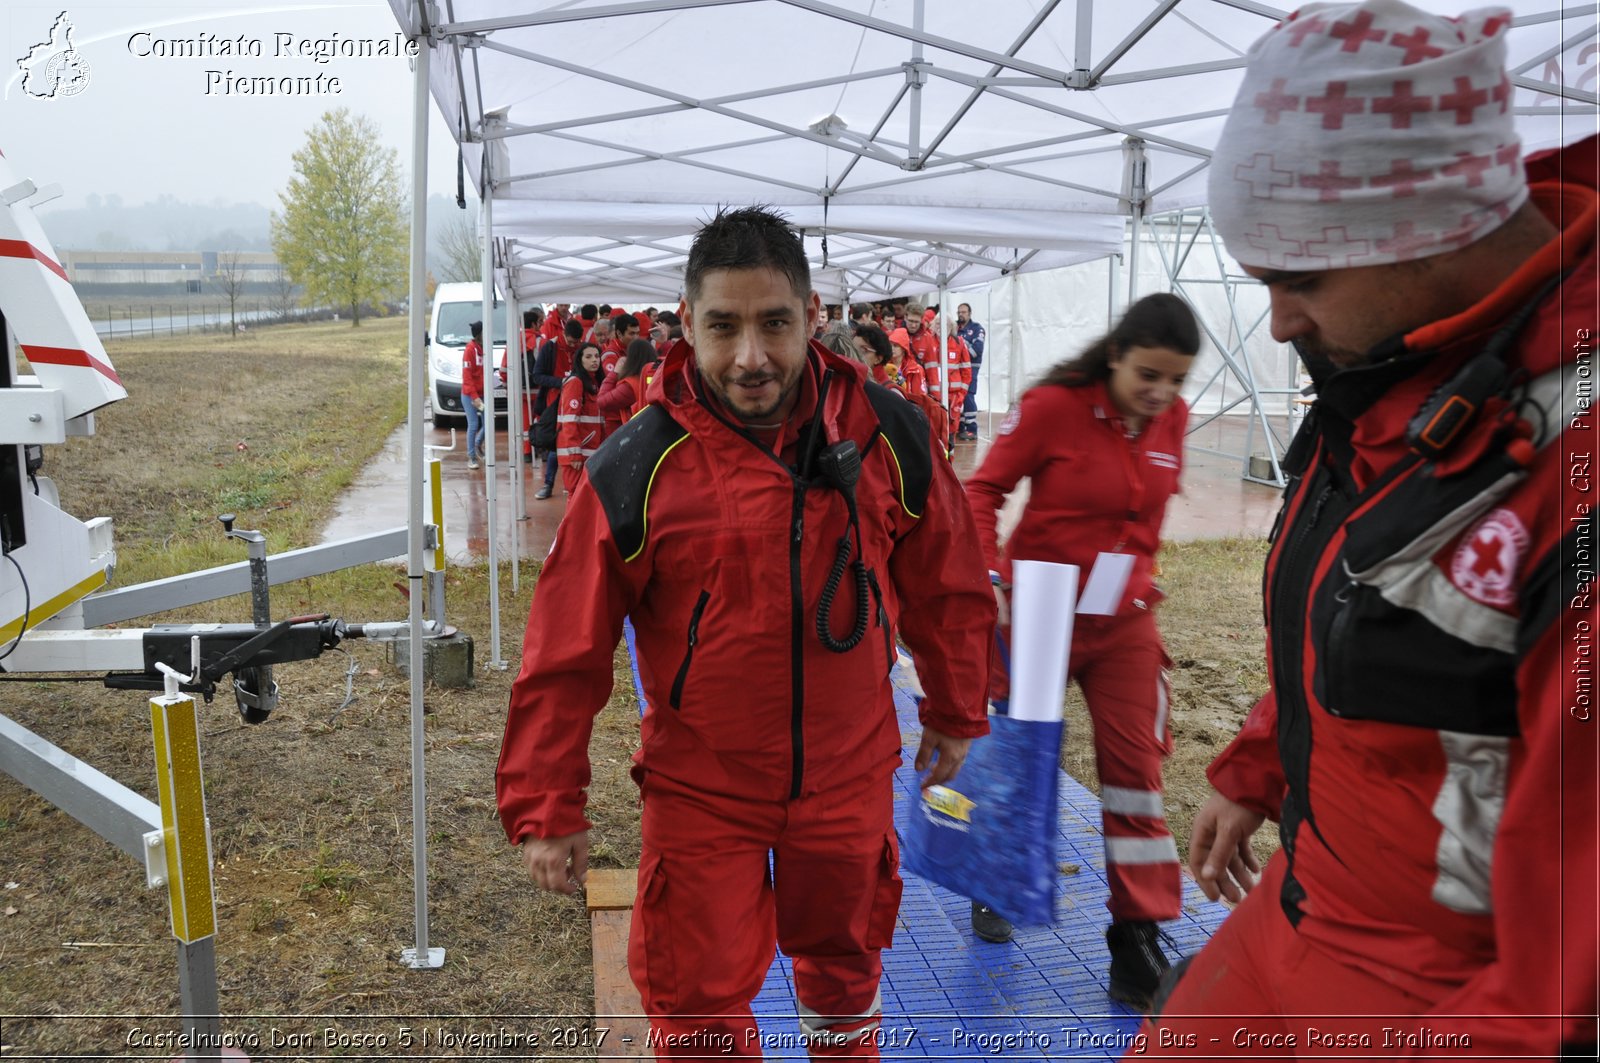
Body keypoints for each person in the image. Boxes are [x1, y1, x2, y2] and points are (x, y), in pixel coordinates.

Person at [1136, 2, 1597, 1055]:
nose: (1280, 325)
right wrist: (1258, 762)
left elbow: (1565, 979)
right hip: (1308, 891)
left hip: (1450, 989)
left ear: (1438, 229)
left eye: (1298, 281)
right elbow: (1356, 598)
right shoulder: (1395, 368)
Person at [497, 205, 996, 1059]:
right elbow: (563, 647)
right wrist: (548, 802)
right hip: (703, 789)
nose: (751, 356)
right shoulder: (638, 464)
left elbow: (947, 580)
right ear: (687, 324)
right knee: (695, 1000)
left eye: (775, 324)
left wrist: (955, 706)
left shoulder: (886, 435)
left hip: (847, 774)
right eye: (724, 327)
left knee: (844, 974)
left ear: (812, 315)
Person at [965, 292, 1199, 1006]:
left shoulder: (1173, 420)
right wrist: (990, 578)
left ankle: (1136, 935)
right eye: (1147, 375)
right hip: (1039, 613)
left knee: (1136, 776)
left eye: (1176, 381)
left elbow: (1149, 510)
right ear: (1115, 356)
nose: (1160, 394)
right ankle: (998, 882)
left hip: (1124, 619)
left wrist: (1140, 574)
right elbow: (983, 491)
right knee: (1022, 762)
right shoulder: (1051, 408)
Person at [531, 318, 583, 500]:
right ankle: (548, 483)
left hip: (577, 402)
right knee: (556, 445)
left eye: (576, 342)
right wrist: (560, 382)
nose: (573, 345)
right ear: (563, 334)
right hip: (554, 404)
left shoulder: (581, 348)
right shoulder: (550, 347)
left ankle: (579, 488)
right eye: (570, 342)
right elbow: (537, 376)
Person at [554, 341, 605, 496]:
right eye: (588, 357)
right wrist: (575, 452)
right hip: (576, 453)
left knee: (584, 498)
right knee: (576, 496)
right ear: (580, 360)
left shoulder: (594, 383)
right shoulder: (575, 382)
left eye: (597, 356)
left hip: (588, 451)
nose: (594, 360)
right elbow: (569, 420)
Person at [597, 337, 655, 436]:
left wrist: (614, 373)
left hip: (632, 433)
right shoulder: (653, 379)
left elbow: (602, 401)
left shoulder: (629, 385)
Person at [955, 303, 985, 441]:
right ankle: (961, 426)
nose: (961, 314)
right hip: (956, 368)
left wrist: (961, 351)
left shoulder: (977, 329)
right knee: (958, 395)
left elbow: (977, 350)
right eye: (959, 312)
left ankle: (971, 429)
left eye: (964, 312)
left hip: (971, 367)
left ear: (970, 313)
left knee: (968, 395)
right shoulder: (954, 327)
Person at [461, 319, 487, 470]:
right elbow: (467, 376)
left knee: (489, 422)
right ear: (479, 334)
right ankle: (471, 456)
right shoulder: (470, 350)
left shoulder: (483, 348)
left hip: (483, 393)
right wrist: (474, 397)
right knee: (473, 424)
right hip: (470, 395)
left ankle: (478, 444)